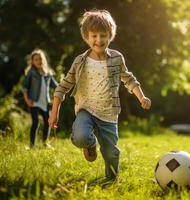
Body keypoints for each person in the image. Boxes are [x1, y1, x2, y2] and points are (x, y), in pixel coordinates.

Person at [48, 9, 151, 180]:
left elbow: (129, 79)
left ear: (110, 35)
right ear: (86, 37)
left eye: (103, 35)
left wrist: (141, 97)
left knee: (111, 154)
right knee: (80, 137)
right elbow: (62, 87)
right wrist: (54, 113)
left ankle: (111, 181)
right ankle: (90, 144)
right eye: (94, 35)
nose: (99, 40)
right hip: (86, 110)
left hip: (109, 115)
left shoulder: (116, 58)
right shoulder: (80, 61)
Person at [23, 49, 58, 148]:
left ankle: (44, 143)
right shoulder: (31, 72)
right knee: (36, 123)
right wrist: (27, 99)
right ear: (32, 61)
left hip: (45, 102)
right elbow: (25, 87)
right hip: (34, 102)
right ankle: (32, 145)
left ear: (43, 60)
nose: (39, 61)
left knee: (48, 122)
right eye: (36, 59)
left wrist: (64, 86)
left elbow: (56, 86)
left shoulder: (48, 74)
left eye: (40, 59)